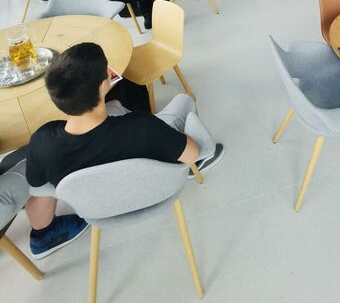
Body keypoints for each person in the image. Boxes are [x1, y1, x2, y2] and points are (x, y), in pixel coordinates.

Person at [25, 43, 224, 256]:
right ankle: (195, 168)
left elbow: (37, 187)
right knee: (183, 101)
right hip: (157, 191)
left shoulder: (41, 143)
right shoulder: (142, 127)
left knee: (39, 188)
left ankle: (44, 236)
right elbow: (193, 152)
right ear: (104, 85)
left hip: (98, 210)